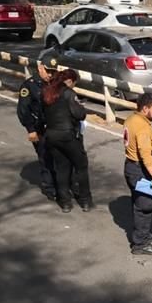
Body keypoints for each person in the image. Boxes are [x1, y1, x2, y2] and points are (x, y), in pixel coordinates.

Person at [42, 68, 93, 213]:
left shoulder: (47, 92)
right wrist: (82, 108)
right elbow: (79, 114)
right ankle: (85, 201)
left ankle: (65, 202)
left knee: (62, 168)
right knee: (81, 167)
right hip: (68, 135)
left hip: (52, 135)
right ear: (70, 81)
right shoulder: (69, 94)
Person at [123, 92, 152, 255]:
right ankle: (141, 243)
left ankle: (144, 235)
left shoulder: (132, 119)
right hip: (139, 170)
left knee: (139, 203)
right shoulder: (142, 128)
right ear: (145, 108)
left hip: (131, 166)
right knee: (144, 207)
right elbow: (145, 154)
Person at [16, 50, 59, 200]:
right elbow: (23, 110)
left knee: (59, 157)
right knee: (45, 157)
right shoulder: (30, 86)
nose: (50, 75)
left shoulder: (55, 84)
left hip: (55, 127)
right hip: (39, 128)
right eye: (48, 71)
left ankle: (62, 185)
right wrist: (31, 130)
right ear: (41, 68)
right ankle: (50, 188)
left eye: (53, 72)